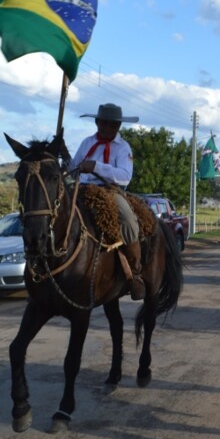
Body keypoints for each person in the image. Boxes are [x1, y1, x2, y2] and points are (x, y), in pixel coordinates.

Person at [68, 103, 146, 300]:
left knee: (128, 218)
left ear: (118, 126)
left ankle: (135, 270)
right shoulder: (87, 142)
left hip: (109, 191)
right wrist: (63, 156)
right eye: (104, 124)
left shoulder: (123, 148)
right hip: (82, 189)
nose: (108, 128)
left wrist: (96, 167)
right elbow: (72, 167)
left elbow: (124, 176)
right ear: (97, 122)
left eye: (113, 125)